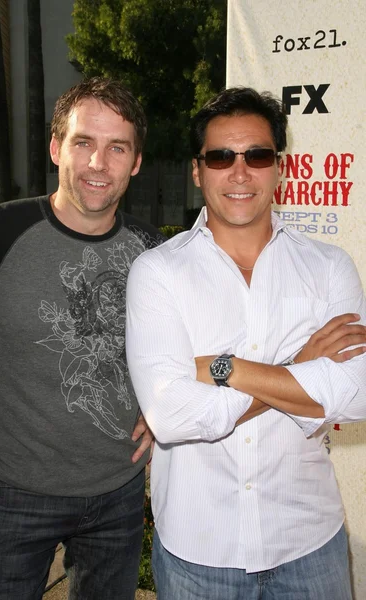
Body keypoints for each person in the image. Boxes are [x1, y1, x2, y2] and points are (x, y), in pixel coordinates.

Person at [126, 87, 366, 600]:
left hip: (308, 545)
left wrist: (221, 366)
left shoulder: (329, 268)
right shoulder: (157, 273)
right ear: (197, 170)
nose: (239, 172)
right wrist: (299, 366)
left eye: (256, 155)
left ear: (280, 167)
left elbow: (354, 394)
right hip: (198, 552)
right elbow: (171, 415)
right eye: (220, 157)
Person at [0, 77, 165, 600]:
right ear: (56, 148)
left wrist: (165, 406)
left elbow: (186, 343)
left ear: (136, 161)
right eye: (84, 143)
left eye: (117, 147)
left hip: (118, 495)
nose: (99, 163)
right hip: (12, 497)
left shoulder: (153, 250)